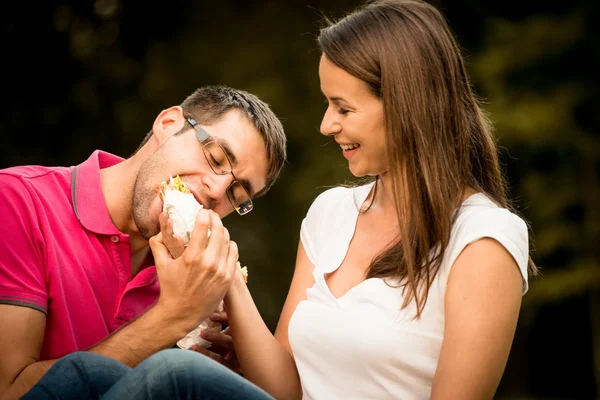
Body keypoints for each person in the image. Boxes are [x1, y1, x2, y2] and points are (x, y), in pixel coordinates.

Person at [21, 0, 537, 399]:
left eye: (342, 107)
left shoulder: (483, 238)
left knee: (173, 374)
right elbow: (283, 389)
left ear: (405, 105)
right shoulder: (331, 213)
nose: (326, 125)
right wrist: (224, 280)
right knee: (87, 369)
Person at [0, 85, 287, 400]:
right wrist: (172, 318)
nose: (217, 190)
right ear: (168, 125)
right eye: (215, 157)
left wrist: (221, 378)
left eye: (237, 193)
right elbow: (9, 391)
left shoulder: (198, 279)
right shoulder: (17, 201)